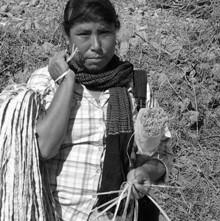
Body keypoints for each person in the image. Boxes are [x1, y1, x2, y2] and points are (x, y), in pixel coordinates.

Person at [27, 0, 171, 220]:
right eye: (83, 35)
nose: (96, 45)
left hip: (115, 215)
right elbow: (44, 149)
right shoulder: (45, 84)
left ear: (116, 31)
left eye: (104, 32)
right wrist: (67, 82)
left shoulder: (136, 87)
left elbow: (161, 155)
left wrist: (145, 173)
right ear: (67, 36)